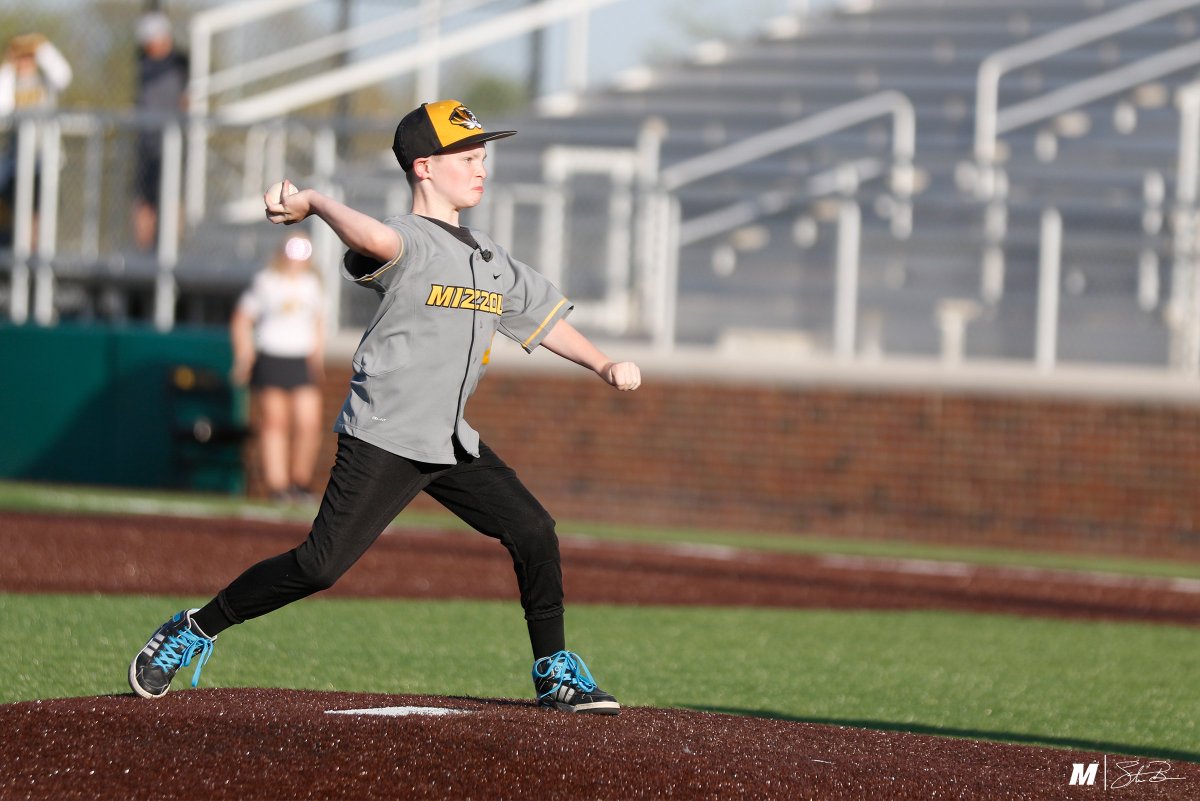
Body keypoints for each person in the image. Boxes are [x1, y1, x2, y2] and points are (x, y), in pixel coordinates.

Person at [129, 99, 642, 714]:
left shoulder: (490, 257)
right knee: (318, 567)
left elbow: (545, 320)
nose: (481, 168)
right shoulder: (407, 240)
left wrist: (603, 364)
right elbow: (372, 238)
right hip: (384, 435)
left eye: (482, 156)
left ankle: (554, 672)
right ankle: (194, 627)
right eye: (467, 157)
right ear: (424, 167)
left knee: (534, 530)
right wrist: (315, 202)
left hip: (450, 440)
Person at [231, 230, 325, 503]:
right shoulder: (266, 282)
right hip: (272, 356)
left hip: (300, 359)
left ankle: (300, 482)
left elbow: (318, 323)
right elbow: (241, 319)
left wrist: (316, 360)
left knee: (309, 423)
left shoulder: (313, 285)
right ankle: (278, 486)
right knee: (275, 423)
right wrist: (244, 357)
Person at [0, 32, 72, 247]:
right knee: (17, 213)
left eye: (28, 57)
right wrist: (9, 64)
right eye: (21, 57)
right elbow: (2, 107)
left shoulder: (45, 81)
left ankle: (36, 258)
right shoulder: (10, 83)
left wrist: (42, 48)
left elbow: (63, 75)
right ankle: (19, 257)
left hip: (43, 160)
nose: (25, 62)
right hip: (17, 161)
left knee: (41, 213)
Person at [132, 11, 188, 252]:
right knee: (144, 200)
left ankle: (173, 250)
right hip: (147, 144)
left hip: (171, 144)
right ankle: (145, 253)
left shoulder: (180, 65)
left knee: (173, 197)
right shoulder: (143, 64)